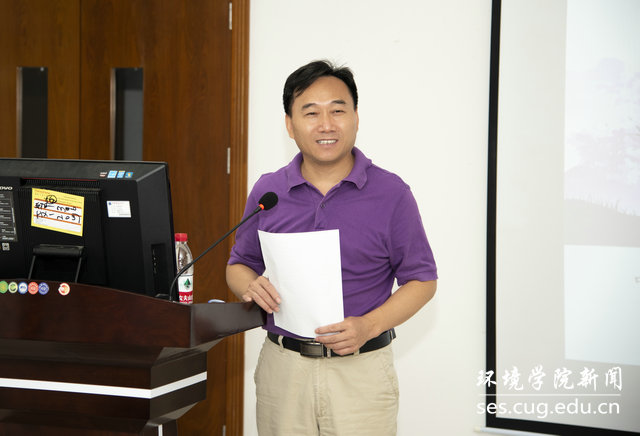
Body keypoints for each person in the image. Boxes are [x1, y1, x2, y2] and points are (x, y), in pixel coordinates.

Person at [226, 60, 438, 436]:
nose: (326, 124)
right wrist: (249, 285)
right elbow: (239, 264)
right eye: (311, 113)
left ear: (355, 118)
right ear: (290, 124)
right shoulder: (269, 191)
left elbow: (422, 281)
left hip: (361, 372)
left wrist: (368, 325)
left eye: (337, 111)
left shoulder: (391, 193)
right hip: (283, 370)